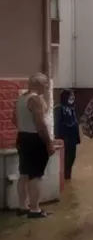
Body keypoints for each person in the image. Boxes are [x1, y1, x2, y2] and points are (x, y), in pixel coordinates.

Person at [12, 73, 54, 218]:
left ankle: (23, 207)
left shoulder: (21, 99)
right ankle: (35, 209)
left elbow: (14, 119)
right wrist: (49, 143)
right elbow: (40, 125)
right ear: (37, 84)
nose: (47, 87)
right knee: (36, 175)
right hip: (35, 139)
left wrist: (24, 128)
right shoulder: (35, 100)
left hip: (22, 137)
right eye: (45, 84)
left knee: (23, 173)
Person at [54, 89, 80, 180]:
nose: (72, 98)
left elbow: (75, 124)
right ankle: (64, 178)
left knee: (72, 157)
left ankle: (67, 177)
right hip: (65, 138)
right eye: (70, 96)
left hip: (72, 138)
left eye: (73, 96)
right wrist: (59, 139)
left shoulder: (72, 108)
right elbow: (57, 125)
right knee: (66, 159)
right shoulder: (59, 109)